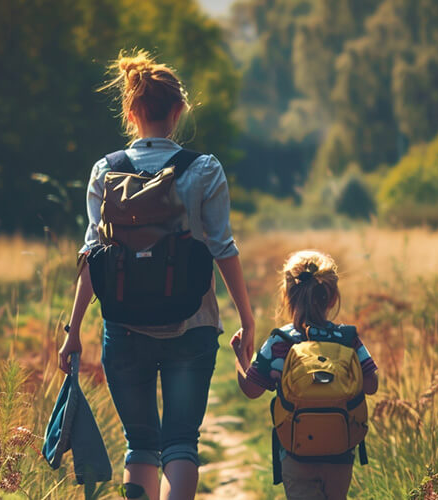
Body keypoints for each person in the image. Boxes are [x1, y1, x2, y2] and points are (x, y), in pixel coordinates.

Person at [57, 50, 255, 500]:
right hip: (193, 324)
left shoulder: (104, 171)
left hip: (124, 328)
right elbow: (223, 248)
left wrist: (75, 331)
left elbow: (92, 254)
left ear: (131, 113)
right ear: (179, 111)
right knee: (181, 442)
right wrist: (246, 317)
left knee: (140, 445)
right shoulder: (204, 170)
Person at [230, 250, 378, 500]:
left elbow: (252, 389)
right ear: (332, 298)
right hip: (341, 451)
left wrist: (240, 356)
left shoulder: (280, 341)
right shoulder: (347, 338)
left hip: (296, 451)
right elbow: (372, 385)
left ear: (287, 295)